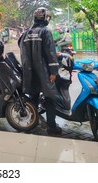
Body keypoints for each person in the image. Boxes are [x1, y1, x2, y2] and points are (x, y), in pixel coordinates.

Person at [18, 7, 61, 135]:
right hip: (44, 72)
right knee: (50, 98)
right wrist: (54, 71)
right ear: (46, 18)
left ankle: (31, 122)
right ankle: (52, 127)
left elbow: (20, 45)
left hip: (30, 72)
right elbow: (50, 53)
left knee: (33, 97)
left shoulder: (26, 33)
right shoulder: (45, 31)